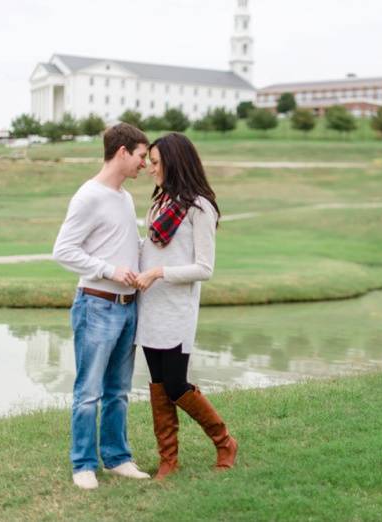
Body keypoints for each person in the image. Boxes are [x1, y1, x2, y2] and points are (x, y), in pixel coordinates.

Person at [52, 123, 151, 490]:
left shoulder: (124, 197)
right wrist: (110, 270)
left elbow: (125, 244)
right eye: (141, 156)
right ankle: (83, 464)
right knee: (89, 391)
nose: (144, 163)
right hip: (96, 306)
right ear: (122, 152)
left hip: (127, 307)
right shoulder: (88, 196)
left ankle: (117, 458)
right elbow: (62, 251)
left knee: (119, 391)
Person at [134, 132, 237, 480]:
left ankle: (224, 441)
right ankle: (168, 459)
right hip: (150, 307)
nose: (150, 168)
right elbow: (149, 247)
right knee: (158, 385)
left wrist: (160, 272)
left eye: (156, 162)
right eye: (149, 161)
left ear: (174, 162)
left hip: (177, 309)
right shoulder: (159, 202)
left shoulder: (200, 208)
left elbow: (204, 269)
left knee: (177, 385)